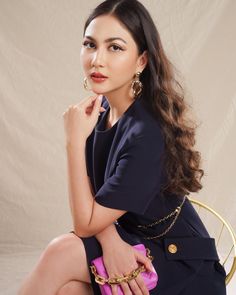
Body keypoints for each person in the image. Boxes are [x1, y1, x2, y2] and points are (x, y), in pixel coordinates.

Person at [18, 0, 227, 294]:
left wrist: (73, 141)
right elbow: (94, 202)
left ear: (141, 60)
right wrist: (111, 241)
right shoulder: (99, 111)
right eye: (90, 45)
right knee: (66, 289)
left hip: (180, 265)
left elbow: (84, 224)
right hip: (133, 241)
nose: (97, 59)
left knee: (62, 252)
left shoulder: (146, 133)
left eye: (114, 47)